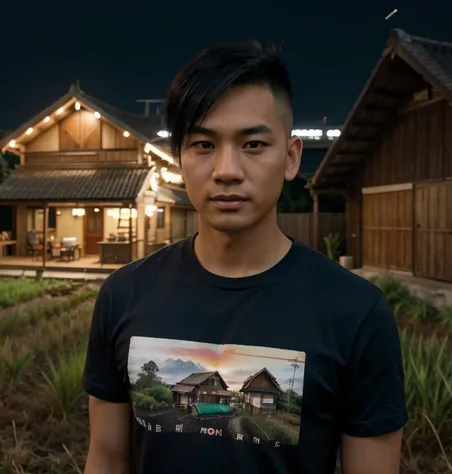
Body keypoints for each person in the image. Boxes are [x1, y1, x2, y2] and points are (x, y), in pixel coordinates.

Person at [82, 41, 407, 474]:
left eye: (253, 144)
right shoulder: (123, 295)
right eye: (203, 144)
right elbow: (106, 458)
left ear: (291, 158)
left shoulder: (355, 312)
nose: (227, 169)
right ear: (179, 158)